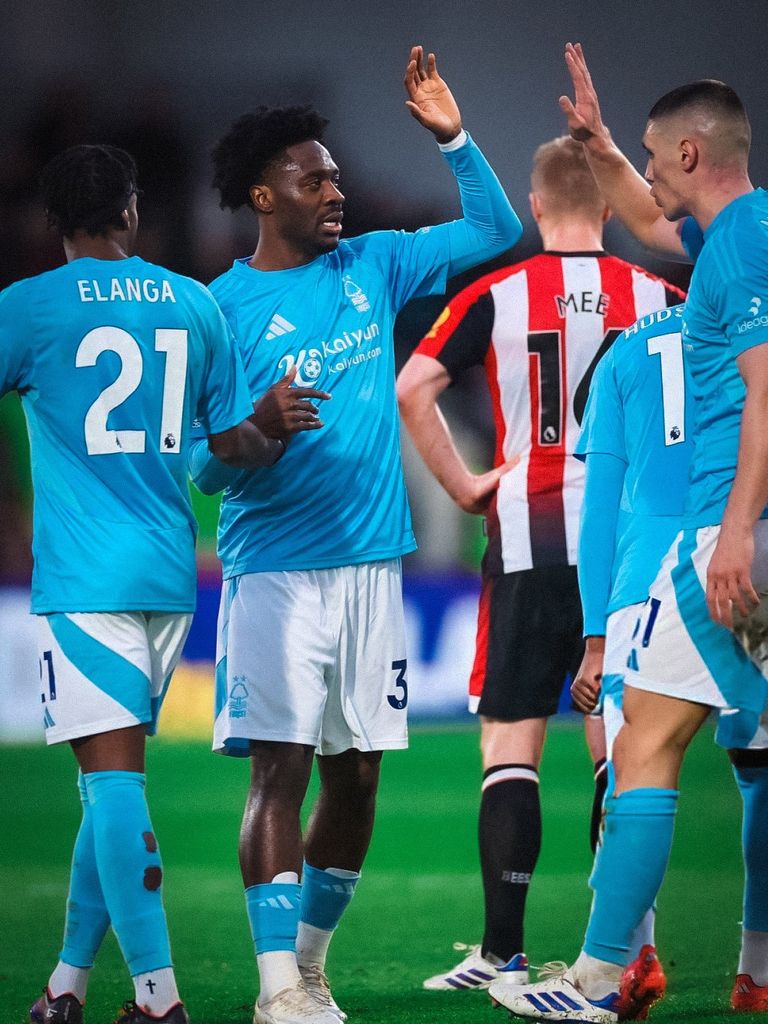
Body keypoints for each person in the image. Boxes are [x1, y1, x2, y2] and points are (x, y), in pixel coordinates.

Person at [186, 46, 523, 1024]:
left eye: (335, 177)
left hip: (374, 570)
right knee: (280, 770)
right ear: (263, 196)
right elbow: (203, 467)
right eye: (313, 179)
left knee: (359, 774)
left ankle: (310, 969)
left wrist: (453, 138)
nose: (335, 191)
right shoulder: (221, 310)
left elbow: (497, 229)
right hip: (276, 573)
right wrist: (254, 429)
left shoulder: (373, 263)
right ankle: (274, 988)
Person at [490, 59, 768, 1024]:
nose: (644, 175)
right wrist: (602, 145)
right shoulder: (745, 234)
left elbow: (766, 390)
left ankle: (600, 979)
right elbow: (651, 223)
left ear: (690, 153)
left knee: (642, 741)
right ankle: (757, 968)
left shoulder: (736, 251)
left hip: (728, 536)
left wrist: (736, 532)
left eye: (652, 156)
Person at [3, 143, 287, 1024]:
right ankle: (66, 986)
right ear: (131, 211)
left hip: (85, 580)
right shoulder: (193, 302)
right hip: (169, 576)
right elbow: (232, 446)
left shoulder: (26, 306)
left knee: (113, 787)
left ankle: (159, 1001)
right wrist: (273, 424)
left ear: (53, 223)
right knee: (108, 789)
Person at [395, 135, 684, 993]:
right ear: (609, 206)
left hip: (530, 528)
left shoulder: (497, 292)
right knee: (622, 743)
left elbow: (413, 387)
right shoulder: (661, 297)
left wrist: (464, 485)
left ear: (534, 203)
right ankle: (627, 953)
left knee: (511, 741)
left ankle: (502, 953)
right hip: (629, 537)